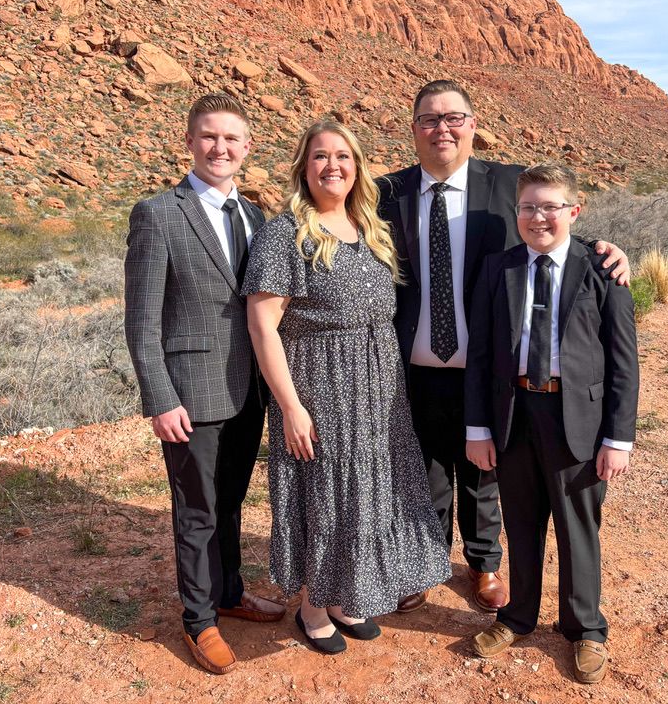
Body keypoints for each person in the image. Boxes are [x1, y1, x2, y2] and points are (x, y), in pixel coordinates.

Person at [376, 80, 630, 614]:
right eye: (429, 118)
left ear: (472, 125)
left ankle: (484, 563)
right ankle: (422, 562)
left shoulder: (508, 182)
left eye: (454, 117)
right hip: (413, 364)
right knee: (421, 472)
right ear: (414, 128)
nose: (441, 128)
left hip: (489, 363)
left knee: (483, 471)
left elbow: (550, 225)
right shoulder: (384, 194)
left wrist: (605, 250)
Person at [244, 120, 451, 655]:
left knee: (366, 491)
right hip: (320, 384)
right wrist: (291, 408)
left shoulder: (372, 228)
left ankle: (343, 595)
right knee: (325, 494)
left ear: (357, 166)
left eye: (343, 156)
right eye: (320, 157)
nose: (332, 165)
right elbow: (263, 326)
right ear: (303, 167)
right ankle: (314, 605)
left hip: (378, 386)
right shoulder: (283, 234)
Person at [124, 93, 285, 676]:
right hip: (190, 393)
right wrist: (160, 398)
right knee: (197, 510)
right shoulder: (158, 213)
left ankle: (229, 591)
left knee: (233, 501)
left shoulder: (255, 216)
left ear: (247, 148)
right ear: (190, 141)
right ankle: (199, 620)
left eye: (232, 139)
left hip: (248, 390)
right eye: (209, 137)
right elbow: (141, 320)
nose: (221, 148)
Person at [464, 163, 639, 684]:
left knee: (577, 526)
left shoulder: (602, 268)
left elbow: (624, 363)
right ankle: (518, 615)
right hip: (515, 413)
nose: (538, 217)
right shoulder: (500, 269)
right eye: (527, 207)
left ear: (573, 211)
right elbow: (481, 357)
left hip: (579, 420)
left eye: (550, 206)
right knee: (520, 520)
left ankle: (585, 627)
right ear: (515, 211)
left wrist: (618, 438)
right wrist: (477, 429)